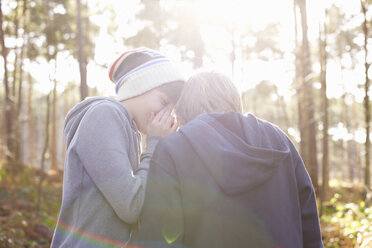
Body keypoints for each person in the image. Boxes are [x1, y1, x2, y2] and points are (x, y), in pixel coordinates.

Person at [135, 71, 324, 248]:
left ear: (183, 112)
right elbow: (309, 223)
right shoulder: (278, 139)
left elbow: (159, 236)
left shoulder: (173, 148)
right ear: (235, 102)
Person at [51, 48, 185, 248]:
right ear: (140, 87)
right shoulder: (104, 115)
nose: (166, 115)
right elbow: (131, 205)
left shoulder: (129, 129)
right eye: (164, 102)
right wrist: (155, 143)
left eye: (171, 109)